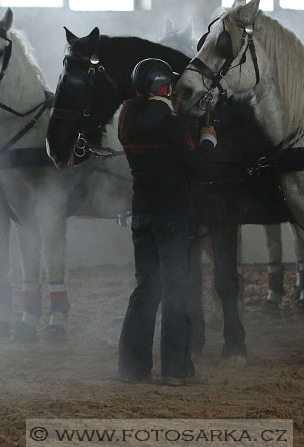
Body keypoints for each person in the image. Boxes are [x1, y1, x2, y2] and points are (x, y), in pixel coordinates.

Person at [117, 58, 217, 385]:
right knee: (176, 290)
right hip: (171, 215)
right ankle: (176, 369)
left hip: (141, 213)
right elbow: (198, 169)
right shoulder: (170, 125)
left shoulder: (127, 118)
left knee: (146, 288)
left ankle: (132, 367)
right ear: (164, 86)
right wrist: (207, 138)